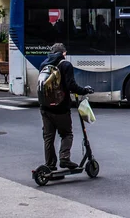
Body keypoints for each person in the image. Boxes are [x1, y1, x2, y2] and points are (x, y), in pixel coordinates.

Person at [39, 43, 94, 171]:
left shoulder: (44, 64)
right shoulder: (65, 65)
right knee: (67, 133)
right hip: (61, 107)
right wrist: (84, 90)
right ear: (63, 53)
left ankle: (50, 164)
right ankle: (64, 158)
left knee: (48, 137)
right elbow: (71, 85)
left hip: (45, 107)